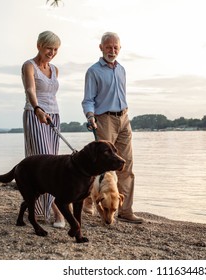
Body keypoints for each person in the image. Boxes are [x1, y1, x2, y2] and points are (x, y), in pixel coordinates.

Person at [82, 32, 144, 224]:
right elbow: (88, 100)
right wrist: (91, 117)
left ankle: (125, 210)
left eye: (115, 47)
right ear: (101, 48)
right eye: (108, 47)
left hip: (124, 118)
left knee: (126, 166)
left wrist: (125, 116)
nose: (112, 50)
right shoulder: (93, 71)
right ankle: (89, 201)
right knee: (99, 167)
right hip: (104, 119)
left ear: (120, 48)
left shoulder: (121, 70)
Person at [21, 30, 65, 228]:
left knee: (53, 164)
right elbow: (30, 89)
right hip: (35, 114)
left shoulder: (55, 69)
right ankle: (58, 212)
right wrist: (38, 108)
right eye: (49, 48)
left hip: (53, 116)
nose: (52, 52)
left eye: (55, 49)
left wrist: (50, 114)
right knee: (42, 163)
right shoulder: (28, 66)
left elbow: (53, 95)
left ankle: (39, 210)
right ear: (39, 45)